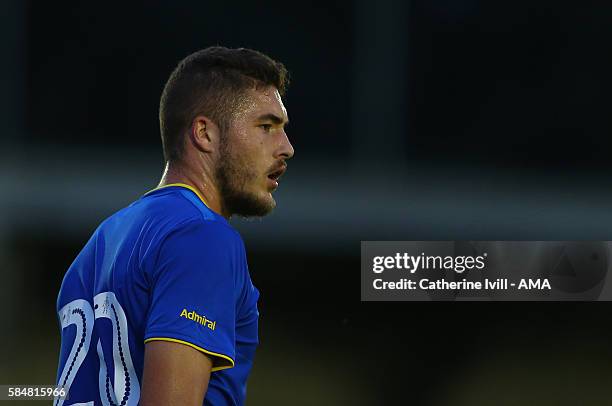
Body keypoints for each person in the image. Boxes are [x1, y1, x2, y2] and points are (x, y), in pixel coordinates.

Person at [54, 46, 294, 406]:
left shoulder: (102, 239)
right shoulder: (202, 236)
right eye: (266, 126)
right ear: (204, 133)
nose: (286, 147)